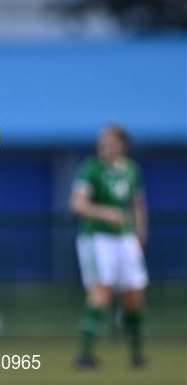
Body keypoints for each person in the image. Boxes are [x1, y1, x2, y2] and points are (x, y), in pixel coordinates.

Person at [69, 125, 148, 368]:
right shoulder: (91, 169)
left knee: (134, 295)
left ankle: (136, 355)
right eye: (102, 141)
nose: (105, 145)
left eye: (110, 141)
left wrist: (140, 233)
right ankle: (85, 354)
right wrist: (104, 212)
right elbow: (77, 205)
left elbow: (137, 203)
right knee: (101, 292)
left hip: (124, 239)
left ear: (122, 145)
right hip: (97, 238)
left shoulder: (131, 170)